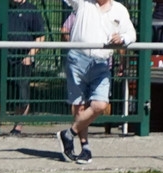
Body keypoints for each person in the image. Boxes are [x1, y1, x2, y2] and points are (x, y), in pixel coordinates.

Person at [56, 0, 135, 164]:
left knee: (100, 104)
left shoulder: (119, 10)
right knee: (79, 105)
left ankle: (69, 134)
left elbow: (131, 34)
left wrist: (122, 38)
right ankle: (85, 148)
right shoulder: (83, 3)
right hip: (77, 59)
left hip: (101, 63)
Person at [0, 0, 46, 136]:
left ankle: (17, 127)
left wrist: (30, 55)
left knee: (21, 95)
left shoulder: (32, 10)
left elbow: (40, 36)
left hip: (21, 59)